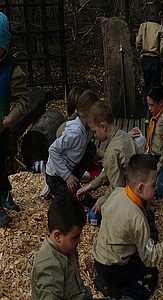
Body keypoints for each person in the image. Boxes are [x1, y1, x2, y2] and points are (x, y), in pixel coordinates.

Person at [92, 154, 163, 300]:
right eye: (153, 185)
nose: (156, 187)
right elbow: (151, 259)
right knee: (150, 274)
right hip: (113, 269)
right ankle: (125, 295)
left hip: (99, 257)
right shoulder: (137, 220)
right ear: (140, 188)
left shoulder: (118, 192)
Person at [30, 192, 110, 300]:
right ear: (58, 236)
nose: (79, 240)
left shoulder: (66, 249)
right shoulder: (49, 266)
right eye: (75, 237)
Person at [76, 100, 137, 214]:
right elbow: (109, 171)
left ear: (102, 126)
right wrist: (91, 186)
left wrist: (102, 201)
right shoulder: (123, 135)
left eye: (94, 131)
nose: (94, 135)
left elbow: (117, 188)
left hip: (132, 195)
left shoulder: (111, 152)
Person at [0, 12, 29, 226]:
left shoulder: (13, 70)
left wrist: (11, 117)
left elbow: (22, 100)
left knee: (1, 164)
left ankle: (4, 197)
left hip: (1, 127)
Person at [45, 90, 98, 198]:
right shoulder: (75, 132)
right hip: (56, 176)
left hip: (70, 168)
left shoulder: (88, 128)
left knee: (91, 148)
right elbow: (53, 150)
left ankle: (74, 181)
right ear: (89, 115)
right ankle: (54, 188)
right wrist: (67, 176)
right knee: (79, 200)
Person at [136, 0, 163, 121]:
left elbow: (137, 43)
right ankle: (151, 113)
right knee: (154, 87)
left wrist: (141, 51)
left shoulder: (143, 26)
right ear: (160, 13)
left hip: (145, 59)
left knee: (147, 85)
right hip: (156, 60)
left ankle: (146, 110)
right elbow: (161, 49)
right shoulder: (161, 28)